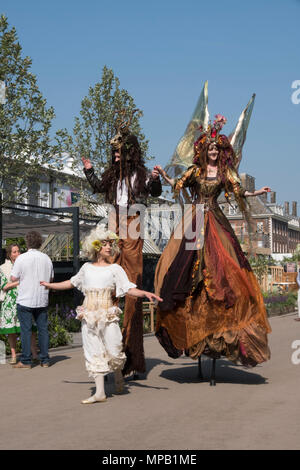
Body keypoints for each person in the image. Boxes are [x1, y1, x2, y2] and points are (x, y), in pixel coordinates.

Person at [154, 114, 271, 367]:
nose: (214, 151)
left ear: (221, 151)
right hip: (195, 220)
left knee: (225, 267)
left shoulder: (225, 172)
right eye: (211, 147)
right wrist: (164, 175)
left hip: (215, 220)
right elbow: (178, 183)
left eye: (217, 148)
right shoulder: (196, 171)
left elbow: (238, 191)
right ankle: (189, 324)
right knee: (184, 267)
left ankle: (222, 325)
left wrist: (257, 192)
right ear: (204, 150)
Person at [40, 225, 162, 404]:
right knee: (93, 351)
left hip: (108, 315)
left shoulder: (115, 269)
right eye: (104, 244)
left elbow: (128, 288)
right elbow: (71, 282)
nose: (108, 247)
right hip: (89, 316)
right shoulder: (86, 268)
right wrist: (50, 285)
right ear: (96, 246)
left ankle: (118, 376)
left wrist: (145, 293)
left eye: (110, 244)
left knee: (114, 350)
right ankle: (99, 393)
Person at [82, 112, 162, 376]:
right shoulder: (112, 176)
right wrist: (88, 170)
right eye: (113, 152)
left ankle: (131, 355)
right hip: (116, 221)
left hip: (133, 222)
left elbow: (154, 191)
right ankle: (109, 349)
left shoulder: (139, 175)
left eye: (119, 152)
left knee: (132, 282)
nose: (115, 156)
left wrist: (156, 178)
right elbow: (96, 186)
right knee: (110, 277)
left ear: (129, 153)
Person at [11, 231, 54, 369]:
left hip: (25, 299)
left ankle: (26, 360)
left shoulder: (21, 258)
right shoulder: (46, 258)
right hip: (42, 299)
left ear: (27, 242)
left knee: (26, 330)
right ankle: (45, 360)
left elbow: (13, 278)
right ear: (40, 243)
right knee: (43, 330)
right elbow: (51, 279)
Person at [0, 244, 38, 364]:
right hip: (9, 302)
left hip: (26, 299)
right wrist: (19, 282)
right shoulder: (3, 268)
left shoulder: (25, 265)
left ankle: (35, 354)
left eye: (18, 251)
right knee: (11, 330)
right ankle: (14, 355)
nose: (18, 253)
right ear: (9, 254)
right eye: (15, 252)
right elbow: (4, 286)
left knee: (29, 328)